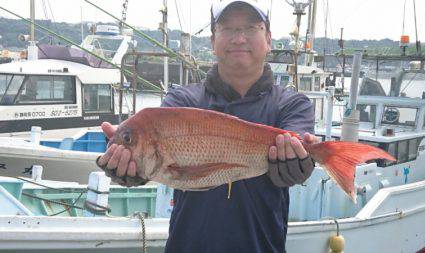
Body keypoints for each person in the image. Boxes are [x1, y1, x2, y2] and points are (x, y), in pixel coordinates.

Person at [97, 0, 317, 252]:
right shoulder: (181, 101)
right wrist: (129, 170)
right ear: (213, 41)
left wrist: (299, 164)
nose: (239, 38)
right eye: (227, 29)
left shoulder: (291, 104)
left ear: (268, 39)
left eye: (250, 28)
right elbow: (154, 165)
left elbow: (300, 151)